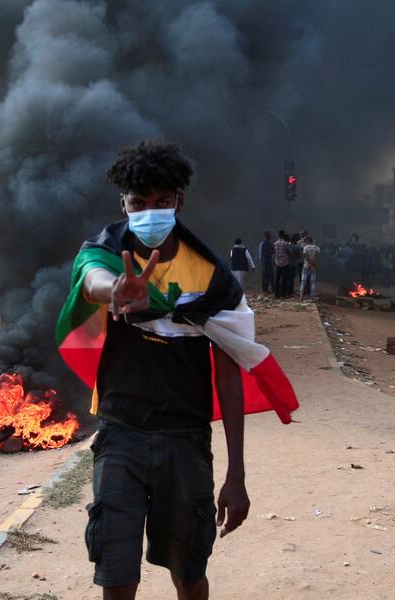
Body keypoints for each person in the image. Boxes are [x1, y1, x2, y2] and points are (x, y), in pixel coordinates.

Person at [55, 140, 298, 600]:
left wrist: (237, 474)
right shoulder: (106, 252)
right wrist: (116, 291)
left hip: (185, 440)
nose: (150, 212)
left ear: (179, 202)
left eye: (161, 201)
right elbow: (91, 278)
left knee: (188, 575)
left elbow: (228, 373)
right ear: (123, 205)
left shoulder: (211, 278)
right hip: (120, 435)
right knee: (116, 576)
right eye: (138, 203)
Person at [300, 237, 320, 301]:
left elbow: (305, 256)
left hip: (306, 265)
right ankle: (312, 297)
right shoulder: (317, 248)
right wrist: (312, 264)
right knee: (313, 282)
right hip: (313, 266)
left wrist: (309, 263)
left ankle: (301, 297)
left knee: (303, 281)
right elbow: (318, 257)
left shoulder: (305, 248)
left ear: (308, 241)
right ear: (312, 241)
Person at [274, 231, 289, 298]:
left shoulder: (275, 243)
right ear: (283, 235)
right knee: (284, 279)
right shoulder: (285, 243)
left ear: (278, 235)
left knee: (277, 279)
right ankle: (283, 294)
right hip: (285, 263)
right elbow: (289, 251)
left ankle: (276, 294)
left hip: (277, 263)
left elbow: (275, 252)